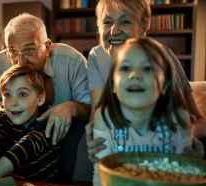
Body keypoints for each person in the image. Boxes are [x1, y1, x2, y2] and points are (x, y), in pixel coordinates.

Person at [0, 13, 91, 180]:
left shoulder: (71, 61)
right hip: (15, 127)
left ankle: (62, 185)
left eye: (29, 50)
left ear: (47, 47)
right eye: (12, 51)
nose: (20, 62)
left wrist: (70, 107)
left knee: (74, 128)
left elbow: (91, 108)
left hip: (55, 131)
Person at [92, 37, 204, 186]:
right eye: (125, 68)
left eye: (147, 68)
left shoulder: (178, 119)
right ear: (112, 83)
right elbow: (102, 173)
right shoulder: (105, 119)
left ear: (165, 84)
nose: (135, 75)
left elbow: (185, 177)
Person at [86, 0, 204, 163]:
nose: (114, 30)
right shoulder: (97, 56)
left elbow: (198, 120)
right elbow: (98, 115)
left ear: (144, 26)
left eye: (125, 21)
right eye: (107, 22)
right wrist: (96, 140)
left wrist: (178, 142)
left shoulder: (163, 56)